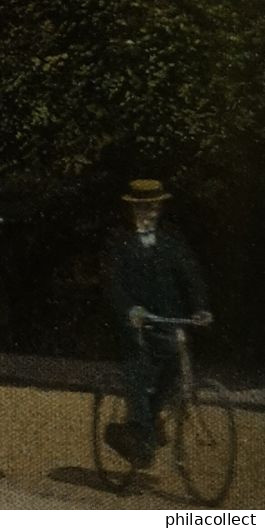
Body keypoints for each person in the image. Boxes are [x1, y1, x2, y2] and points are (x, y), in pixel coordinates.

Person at [103, 178, 211, 469]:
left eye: (152, 207)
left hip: (168, 321)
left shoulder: (170, 242)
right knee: (138, 374)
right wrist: (129, 310)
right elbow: (114, 284)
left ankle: (147, 427)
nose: (148, 213)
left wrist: (200, 308)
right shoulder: (120, 242)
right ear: (132, 209)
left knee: (174, 372)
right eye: (141, 208)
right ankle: (138, 434)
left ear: (160, 207)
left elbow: (191, 275)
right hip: (135, 325)